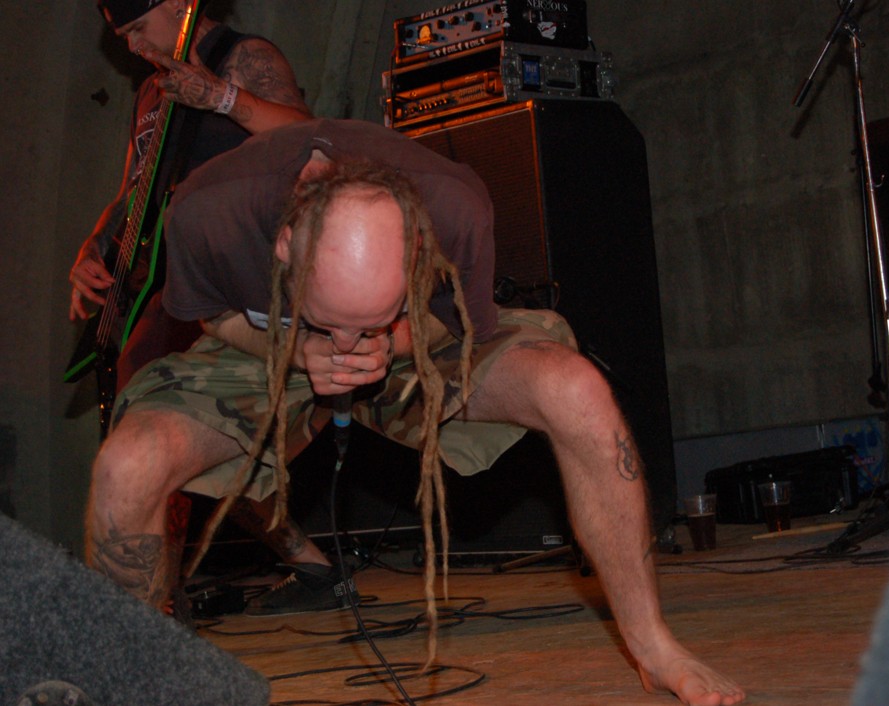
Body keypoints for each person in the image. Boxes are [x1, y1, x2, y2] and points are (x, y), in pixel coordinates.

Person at [85, 119, 747, 705]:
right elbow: (211, 315)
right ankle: (125, 684)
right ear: (284, 245)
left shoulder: (455, 205)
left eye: (369, 319)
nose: (349, 345)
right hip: (266, 345)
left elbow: (458, 322)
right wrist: (300, 348)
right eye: (334, 319)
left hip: (416, 345)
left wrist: (392, 340)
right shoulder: (207, 212)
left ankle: (654, 645)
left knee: (576, 390)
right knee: (127, 464)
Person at [68, 0, 349, 617]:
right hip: (170, 278)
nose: (133, 46)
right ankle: (309, 566)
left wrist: (222, 97)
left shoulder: (244, 56)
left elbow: (307, 135)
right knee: (179, 434)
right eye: (121, 36)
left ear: (177, 3)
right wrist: (96, 244)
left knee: (177, 428)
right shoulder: (150, 90)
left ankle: (157, 607)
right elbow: (136, 188)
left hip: (235, 272)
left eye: (138, 28)